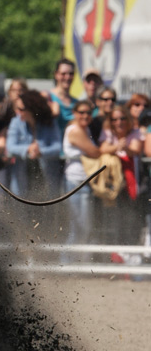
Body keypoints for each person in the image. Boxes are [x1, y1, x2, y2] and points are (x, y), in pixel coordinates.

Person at [99, 103, 143, 249]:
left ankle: (131, 256)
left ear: (128, 119)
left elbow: (135, 149)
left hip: (131, 182)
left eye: (122, 118)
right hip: (113, 185)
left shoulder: (135, 133)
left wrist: (123, 147)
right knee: (114, 221)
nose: (119, 122)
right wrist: (117, 147)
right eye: (115, 119)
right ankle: (115, 255)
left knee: (131, 220)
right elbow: (103, 149)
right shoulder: (108, 134)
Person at [6, 89, 62, 198]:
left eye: (21, 109)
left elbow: (57, 147)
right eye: (17, 108)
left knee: (47, 211)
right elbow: (10, 147)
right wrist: (28, 149)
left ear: (32, 109)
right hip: (22, 178)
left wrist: (41, 151)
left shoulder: (49, 122)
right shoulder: (15, 122)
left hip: (47, 178)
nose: (18, 112)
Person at [62, 101, 101, 249]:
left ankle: (77, 262)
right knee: (79, 227)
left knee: (84, 228)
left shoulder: (85, 129)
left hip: (83, 181)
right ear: (75, 113)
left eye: (88, 113)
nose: (85, 116)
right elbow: (94, 152)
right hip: (76, 182)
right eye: (82, 112)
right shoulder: (76, 130)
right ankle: (67, 263)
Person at [44, 58, 78, 137]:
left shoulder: (77, 103)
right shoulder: (48, 97)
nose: (67, 77)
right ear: (56, 74)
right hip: (53, 147)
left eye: (71, 74)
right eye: (63, 74)